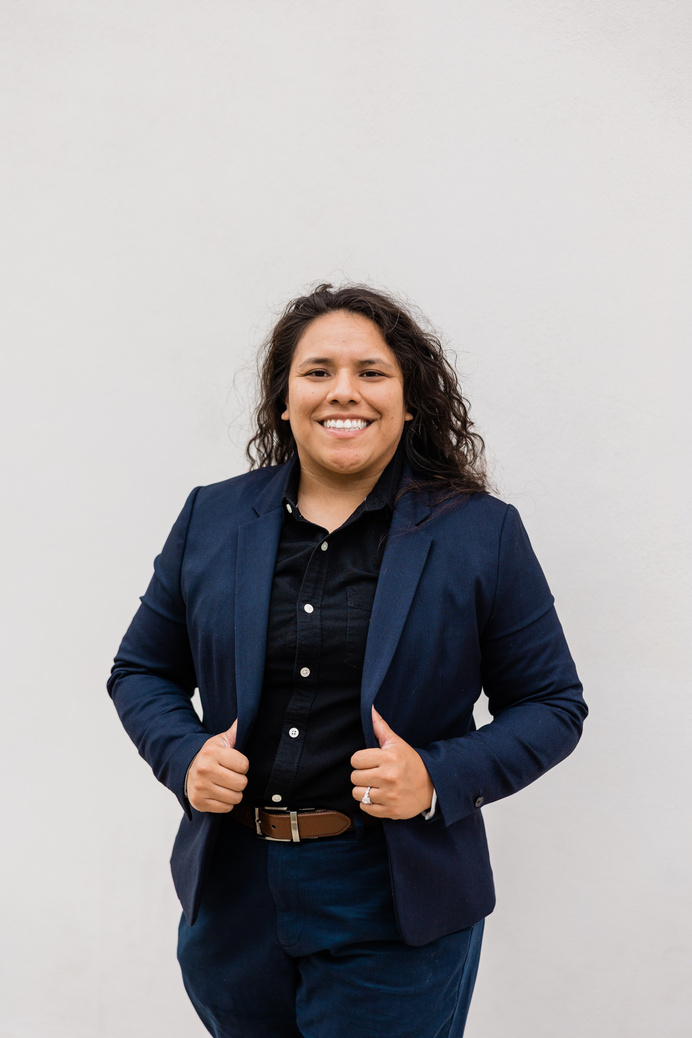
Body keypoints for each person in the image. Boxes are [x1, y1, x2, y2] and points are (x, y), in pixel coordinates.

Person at [108, 283, 587, 1038]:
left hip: (397, 897)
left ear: (409, 400)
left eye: (371, 372)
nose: (344, 392)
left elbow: (553, 705)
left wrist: (436, 776)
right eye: (318, 370)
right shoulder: (212, 516)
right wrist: (183, 755)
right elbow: (141, 670)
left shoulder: (481, 533)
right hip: (235, 899)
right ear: (283, 398)